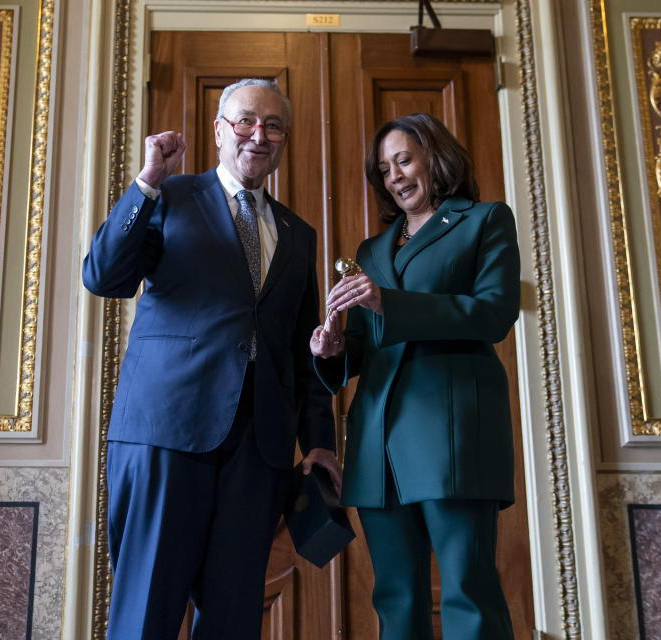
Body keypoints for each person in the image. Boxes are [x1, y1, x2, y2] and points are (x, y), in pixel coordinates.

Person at [82, 78, 341, 640]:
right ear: (220, 130)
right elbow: (103, 276)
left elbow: (303, 350)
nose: (259, 135)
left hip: (258, 449)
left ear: (284, 140)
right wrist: (148, 179)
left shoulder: (299, 235)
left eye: (274, 126)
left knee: (232, 619)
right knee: (145, 609)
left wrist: (320, 440)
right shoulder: (169, 197)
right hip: (166, 434)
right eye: (246, 120)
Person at [310, 113, 519, 640]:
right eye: (384, 169)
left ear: (435, 158)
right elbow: (363, 345)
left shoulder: (484, 220)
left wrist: (390, 303)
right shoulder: (369, 252)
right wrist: (333, 350)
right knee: (396, 599)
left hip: (452, 436)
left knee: (468, 593)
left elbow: (494, 314)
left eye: (404, 160)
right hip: (377, 445)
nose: (395, 177)